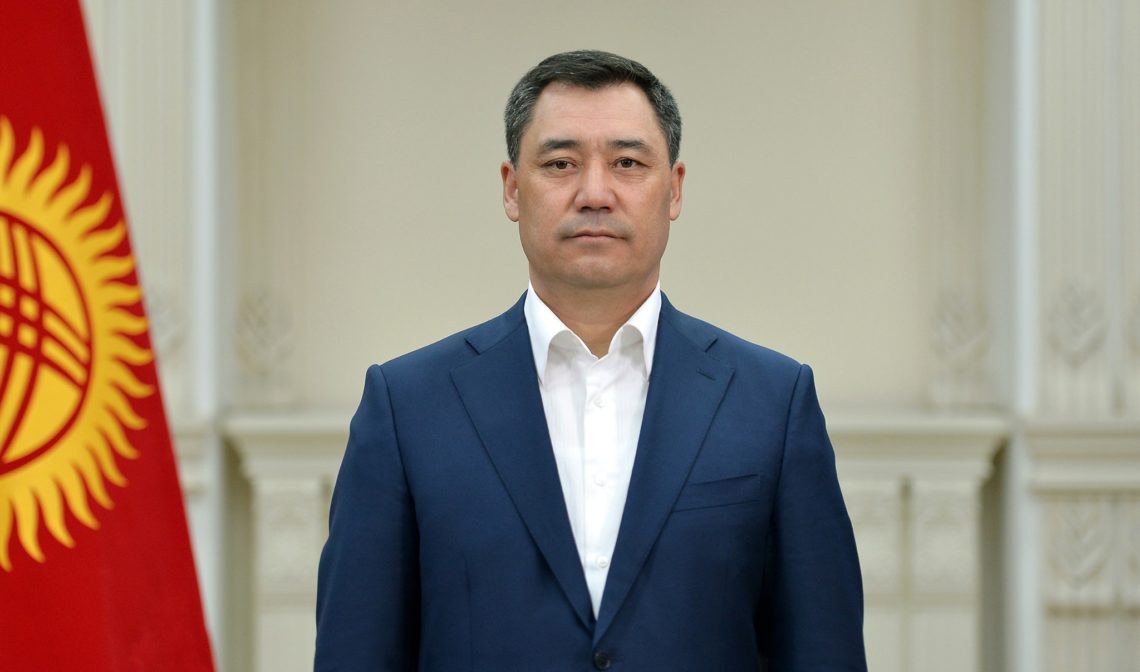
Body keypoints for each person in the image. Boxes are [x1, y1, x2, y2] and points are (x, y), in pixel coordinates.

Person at [315, 50, 867, 671]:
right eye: (561, 164)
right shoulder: (408, 406)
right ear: (512, 189)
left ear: (674, 189)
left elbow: (824, 652)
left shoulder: (771, 401)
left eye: (628, 163)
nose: (595, 194)